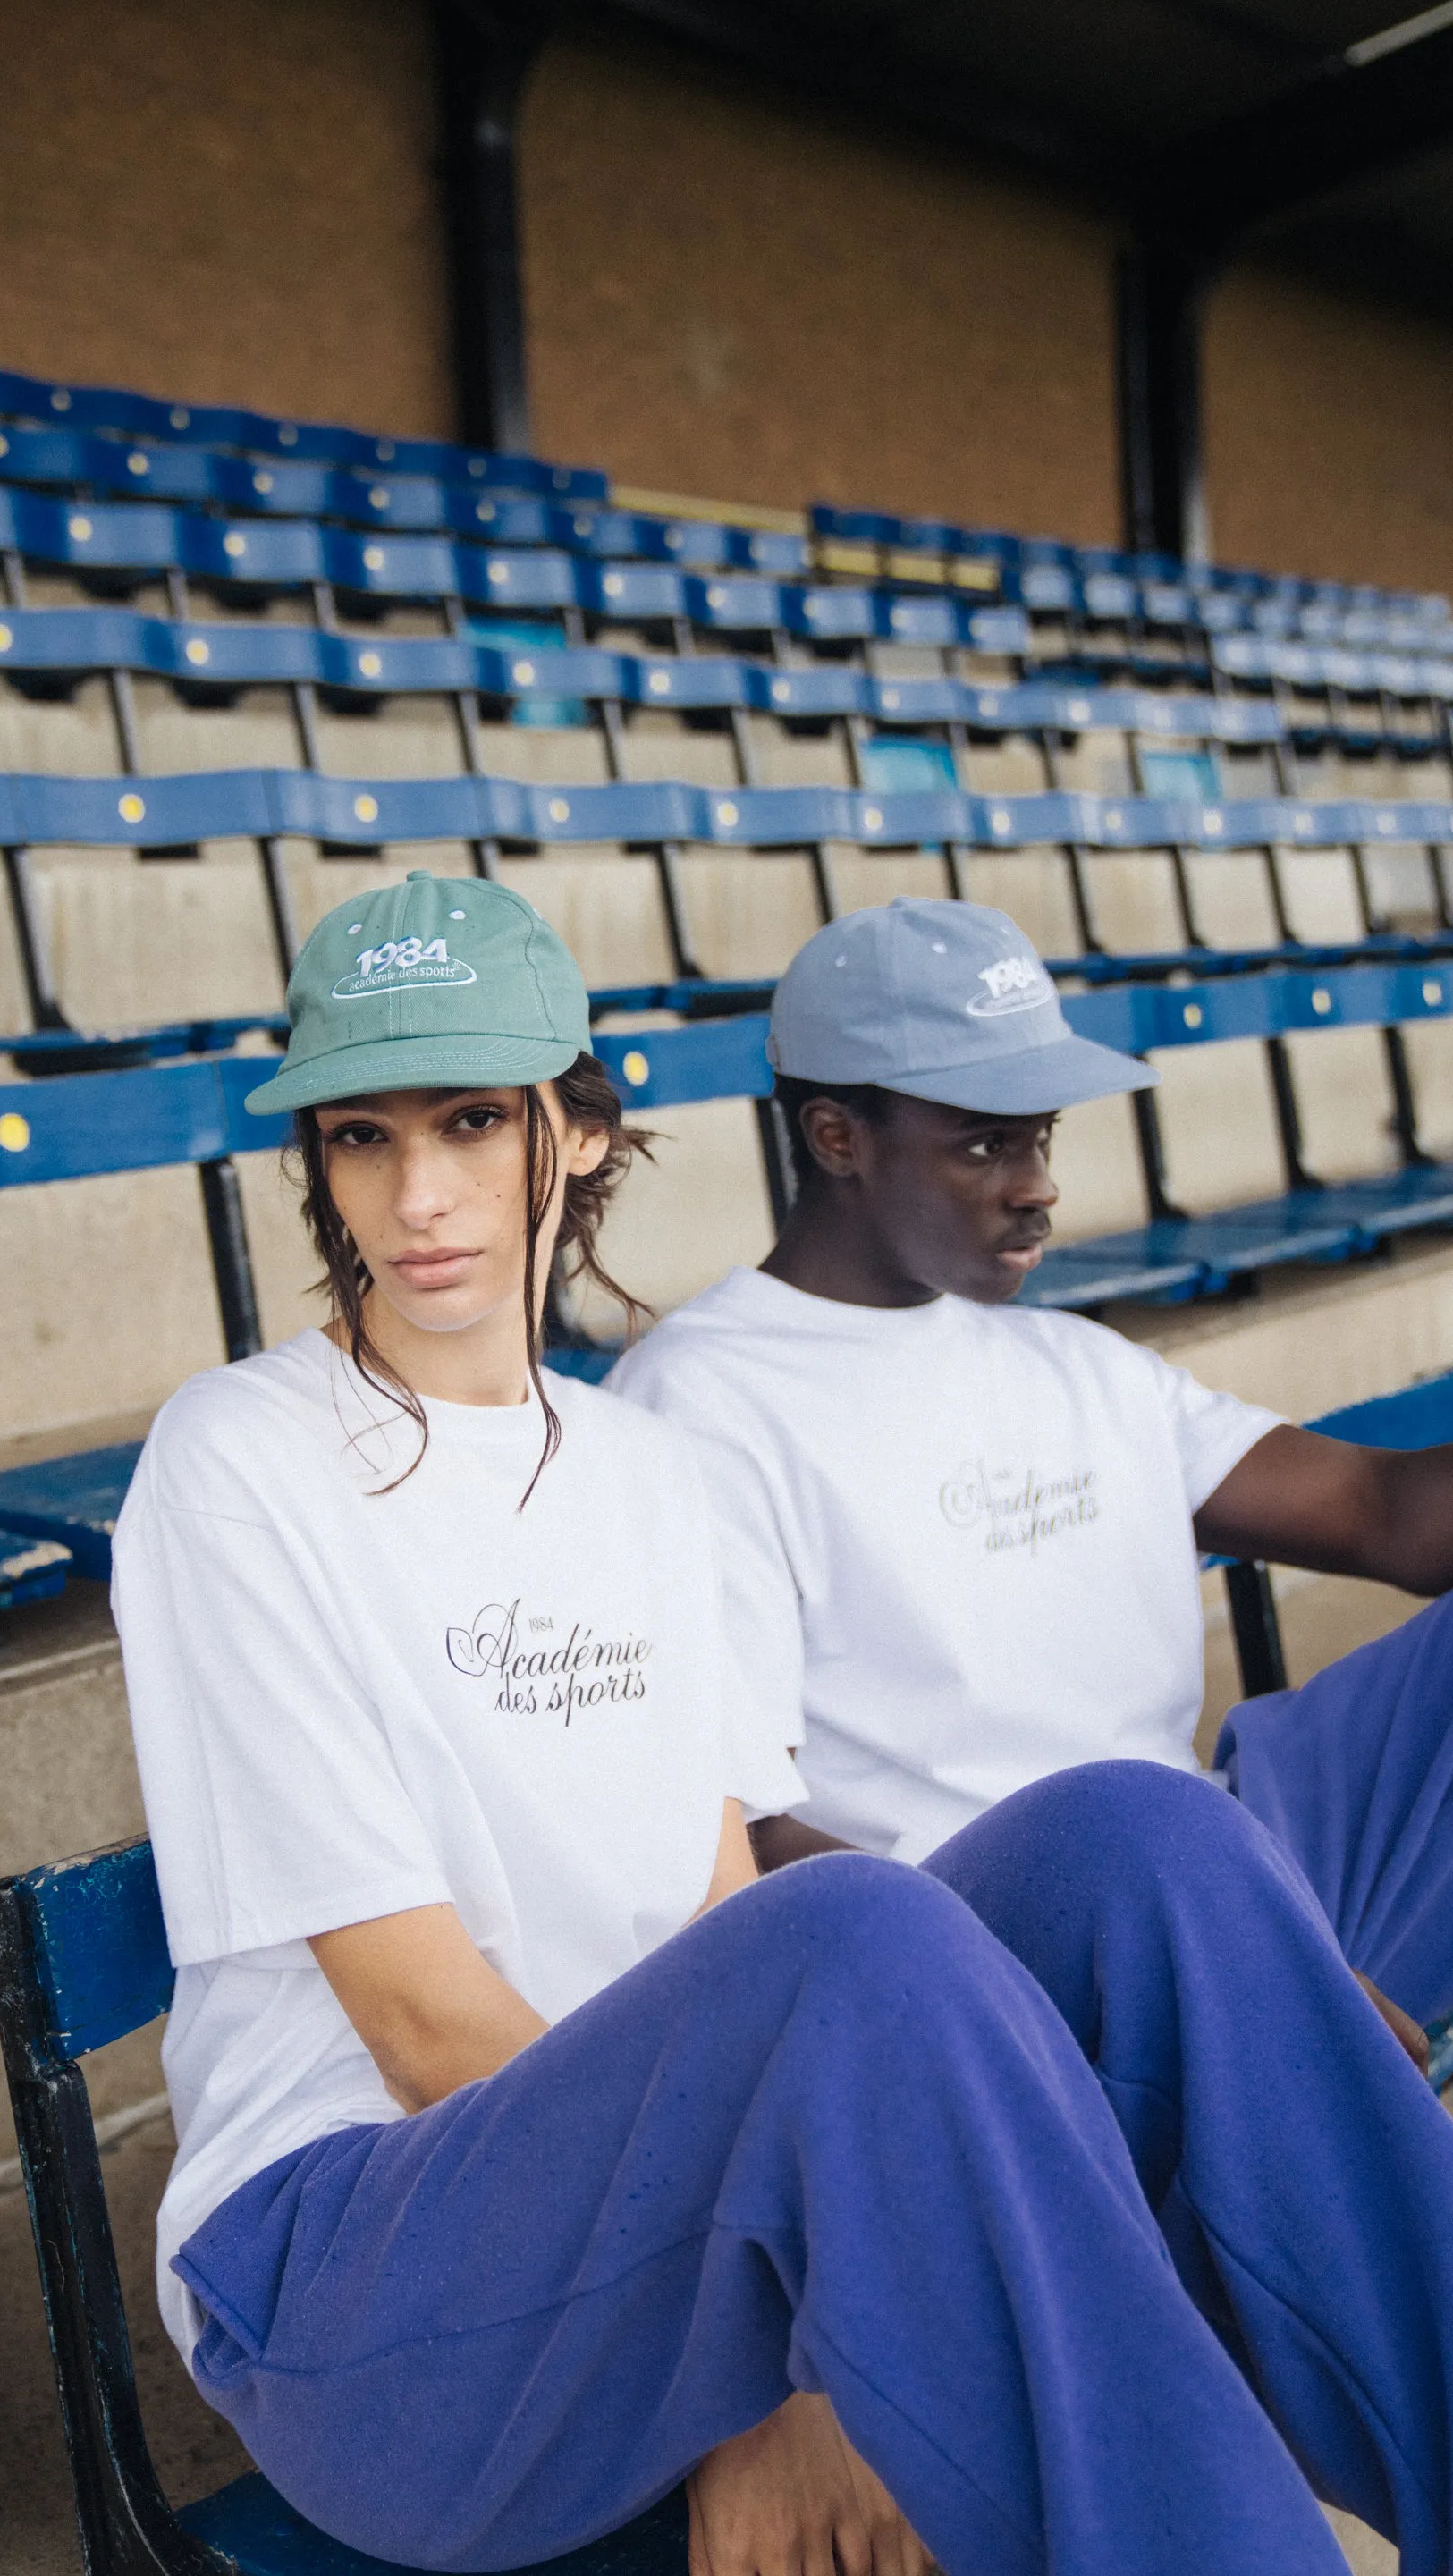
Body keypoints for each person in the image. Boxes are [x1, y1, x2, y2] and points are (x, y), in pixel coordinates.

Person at [113, 870, 1453, 2576]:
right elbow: (426, 2033)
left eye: (469, 1121)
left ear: (576, 1136)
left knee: (1146, 1829)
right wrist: (774, 2361)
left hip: (651, 2232)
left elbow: (716, 1916)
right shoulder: (239, 1463)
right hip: (365, 2286)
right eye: (363, 1138)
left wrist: (795, 2320)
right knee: (861, 1931)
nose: (422, 1195)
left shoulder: (652, 1480)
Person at [610, 895, 1453, 2044]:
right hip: (1003, 1969)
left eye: (1039, 1134)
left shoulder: (1073, 1361)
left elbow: (1384, 1515)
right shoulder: (700, 1405)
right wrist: (1216, 1965)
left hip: (1221, 1874)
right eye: (981, 1141)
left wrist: (1243, 1941)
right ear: (835, 1137)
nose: (1037, 1183)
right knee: (1129, 1827)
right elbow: (752, 1836)